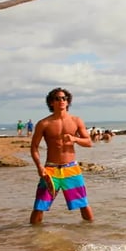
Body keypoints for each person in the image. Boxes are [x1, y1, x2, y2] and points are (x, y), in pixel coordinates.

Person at [29, 87, 94, 225]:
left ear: (68, 101)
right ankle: (32, 238)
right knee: (39, 206)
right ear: (51, 102)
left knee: (83, 204)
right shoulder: (43, 124)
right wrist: (39, 167)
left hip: (71, 168)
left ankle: (91, 234)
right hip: (50, 170)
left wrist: (75, 139)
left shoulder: (76, 121)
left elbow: (89, 142)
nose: (62, 101)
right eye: (57, 98)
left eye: (64, 98)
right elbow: (34, 147)